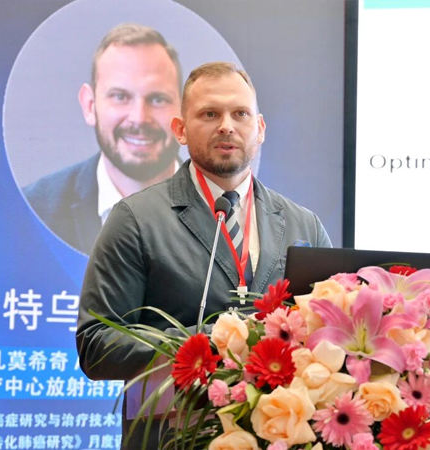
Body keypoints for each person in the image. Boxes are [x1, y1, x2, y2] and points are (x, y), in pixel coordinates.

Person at [76, 61, 332, 449]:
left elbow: (329, 331)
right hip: (174, 437)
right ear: (180, 129)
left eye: (240, 114)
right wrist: (211, 343)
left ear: (260, 128)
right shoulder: (136, 219)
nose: (227, 126)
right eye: (210, 114)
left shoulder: (303, 225)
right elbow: (97, 345)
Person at [23, 23, 183, 254]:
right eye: (120, 96)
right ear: (90, 105)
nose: (139, 118)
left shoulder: (226, 213)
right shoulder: (33, 212)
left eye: (158, 99)